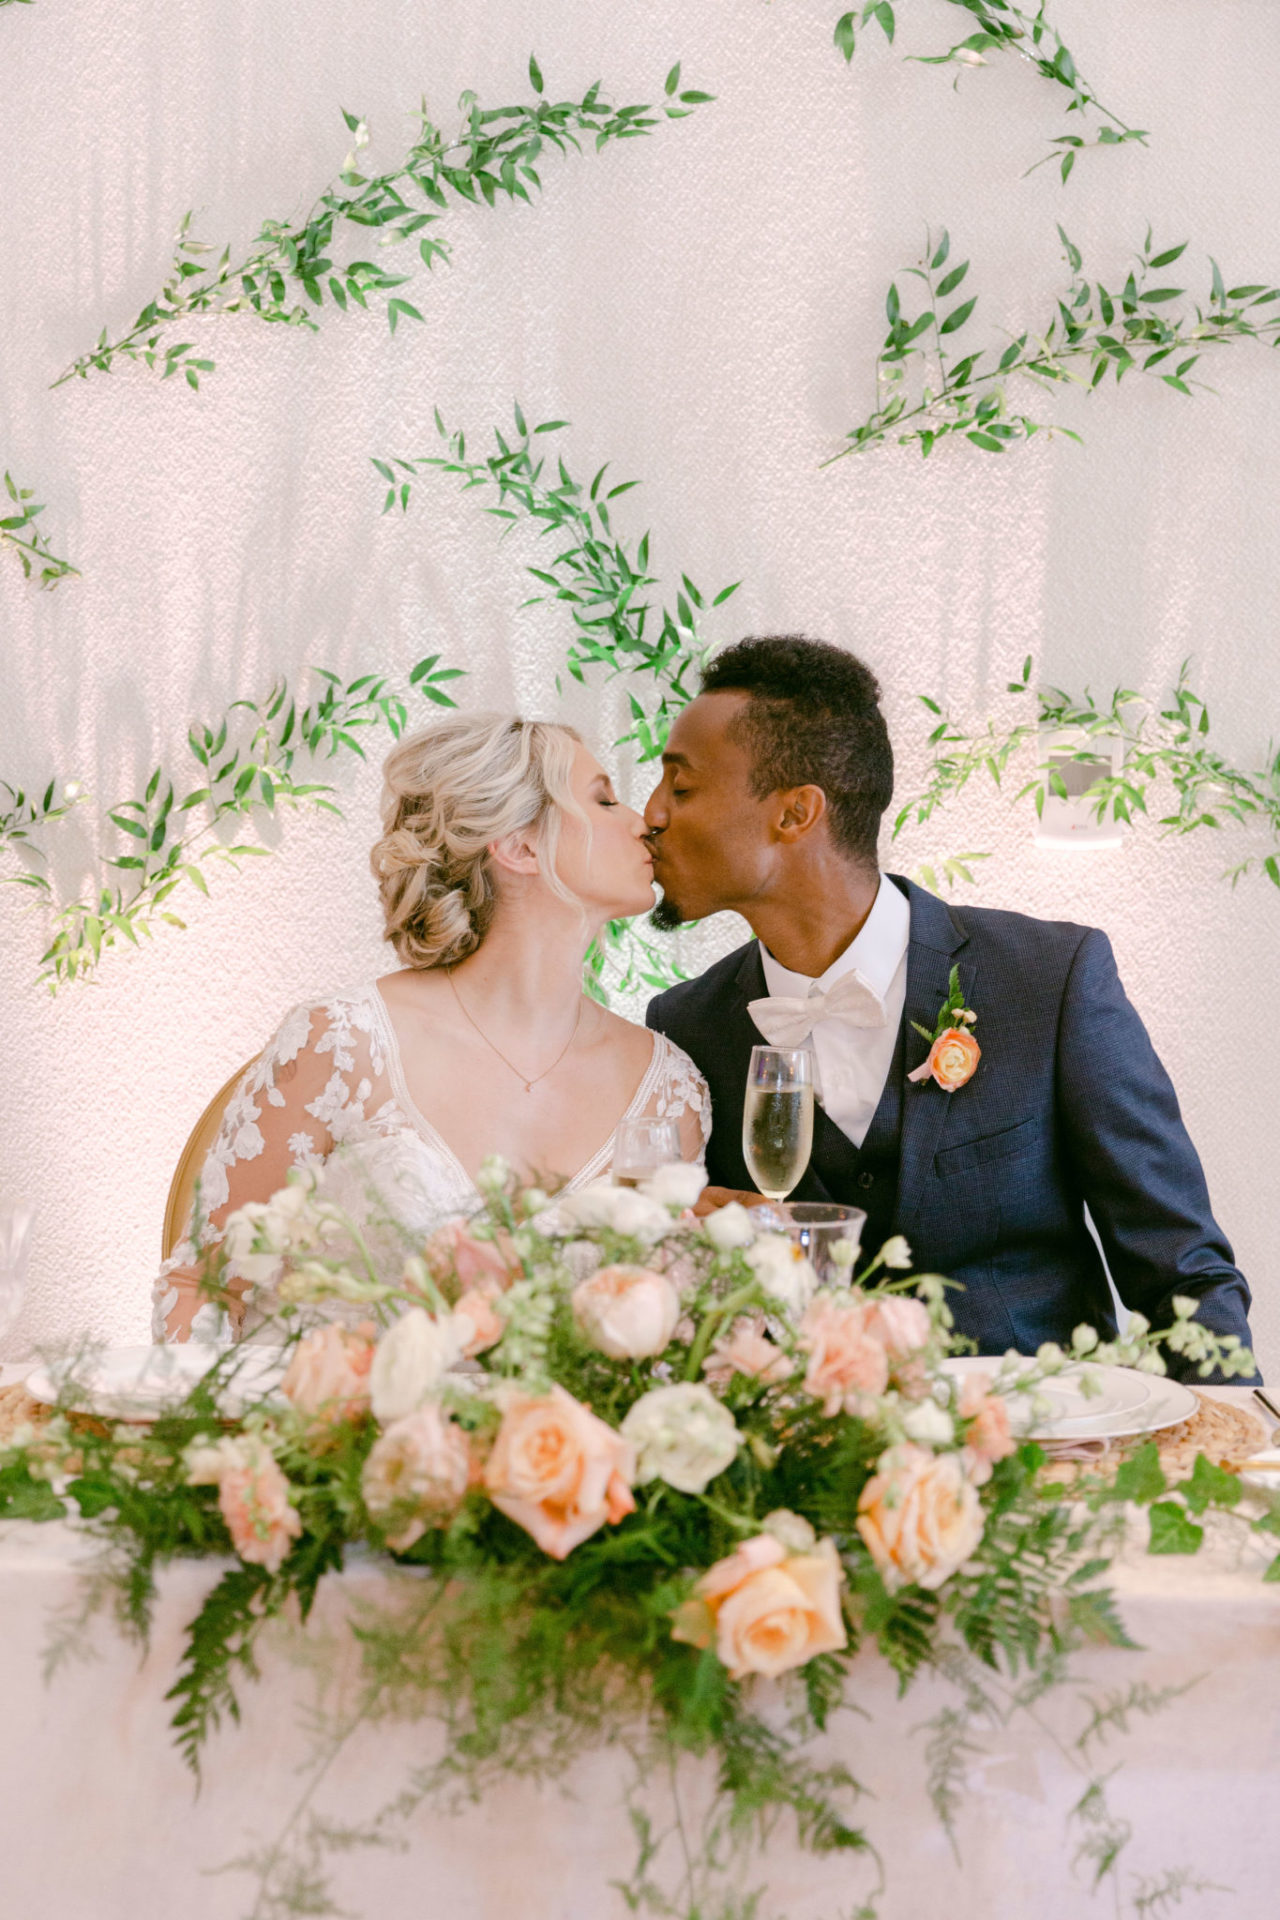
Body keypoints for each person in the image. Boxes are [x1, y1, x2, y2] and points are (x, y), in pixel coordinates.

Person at [643, 635, 1256, 1377]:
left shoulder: (1049, 980)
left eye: (680, 789)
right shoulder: (682, 1028)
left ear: (796, 813)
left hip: (1046, 1459)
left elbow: (1187, 1278)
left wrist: (1219, 1468)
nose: (651, 815)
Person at [154, 714, 709, 1343]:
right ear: (519, 846)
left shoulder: (668, 1087)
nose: (641, 820)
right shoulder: (342, 1044)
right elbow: (201, 1287)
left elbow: (665, 1337)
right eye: (604, 799)